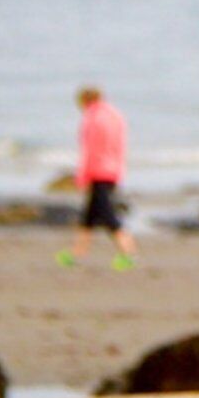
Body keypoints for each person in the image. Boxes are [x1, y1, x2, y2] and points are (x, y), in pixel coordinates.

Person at [66, 85, 136, 269]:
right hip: (113, 170)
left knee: (108, 216)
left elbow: (89, 150)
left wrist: (82, 176)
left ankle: (128, 252)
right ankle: (76, 253)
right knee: (88, 217)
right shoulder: (115, 116)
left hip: (98, 171)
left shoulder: (92, 119)